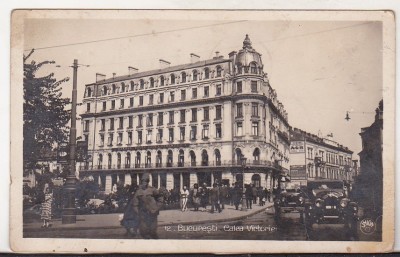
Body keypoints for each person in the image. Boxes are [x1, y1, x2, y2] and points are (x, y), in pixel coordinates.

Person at [132, 173, 164, 239]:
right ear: (141, 182)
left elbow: (160, 198)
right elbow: (135, 204)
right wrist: (138, 212)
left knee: (153, 232)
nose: (144, 183)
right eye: (143, 181)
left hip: (152, 213)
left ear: (148, 182)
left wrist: (157, 207)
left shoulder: (152, 190)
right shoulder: (138, 192)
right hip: (143, 214)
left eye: (146, 181)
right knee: (144, 232)